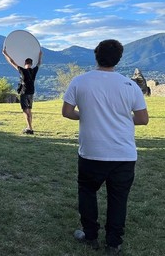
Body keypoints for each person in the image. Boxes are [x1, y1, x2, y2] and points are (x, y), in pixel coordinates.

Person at [62, 39, 148, 255]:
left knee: (88, 192)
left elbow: (67, 112)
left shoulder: (80, 81)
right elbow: (143, 119)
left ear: (96, 55)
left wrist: (87, 115)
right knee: (118, 199)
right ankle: (113, 243)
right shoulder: (130, 85)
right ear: (118, 59)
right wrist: (121, 118)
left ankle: (90, 235)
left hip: (92, 152)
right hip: (124, 154)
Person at [2, 47, 42, 134]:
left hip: (24, 92)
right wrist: (39, 55)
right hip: (31, 92)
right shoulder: (34, 70)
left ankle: (30, 129)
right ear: (31, 64)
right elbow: (39, 63)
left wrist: (5, 53)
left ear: (25, 63)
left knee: (25, 110)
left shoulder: (22, 70)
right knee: (29, 110)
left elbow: (12, 62)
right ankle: (29, 126)